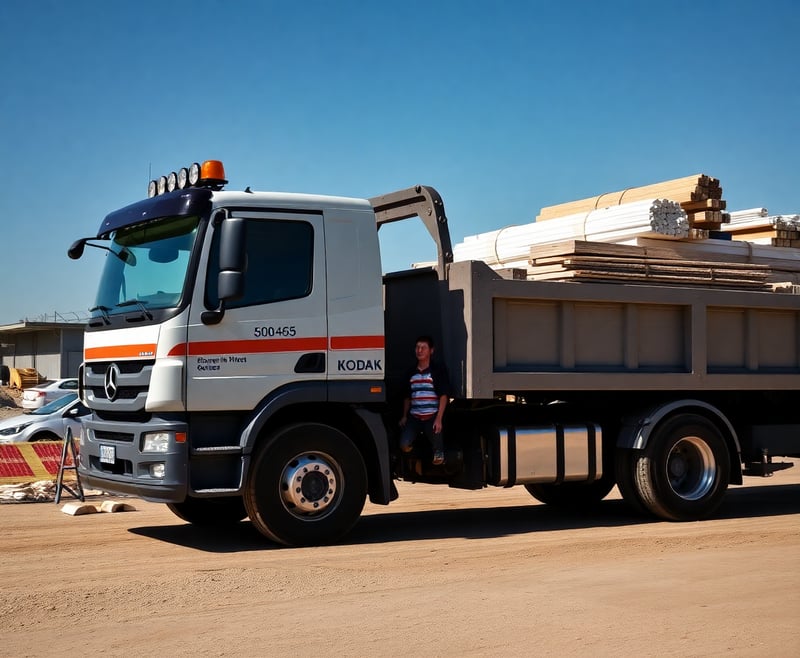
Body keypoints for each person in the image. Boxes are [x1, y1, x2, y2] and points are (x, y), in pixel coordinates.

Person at [398, 335, 451, 465]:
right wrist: (404, 416)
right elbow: (407, 397)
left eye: (423, 347)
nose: (419, 350)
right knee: (404, 445)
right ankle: (420, 456)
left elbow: (443, 396)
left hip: (431, 417)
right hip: (415, 418)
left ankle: (438, 452)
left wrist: (439, 418)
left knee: (437, 442)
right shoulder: (411, 373)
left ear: (431, 351)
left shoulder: (436, 371)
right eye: (417, 347)